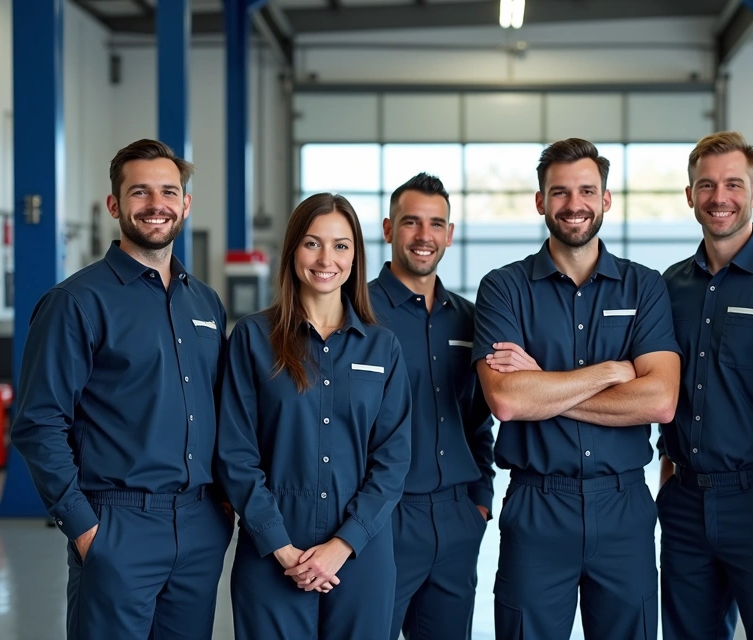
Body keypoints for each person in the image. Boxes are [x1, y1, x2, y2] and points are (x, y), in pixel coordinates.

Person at [12, 139, 233, 639]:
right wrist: (87, 531)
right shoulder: (76, 302)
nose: (156, 204)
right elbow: (39, 422)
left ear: (185, 204)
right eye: (140, 192)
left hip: (200, 525)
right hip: (118, 523)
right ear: (115, 205)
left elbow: (222, 407)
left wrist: (221, 505)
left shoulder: (206, 302)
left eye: (168, 192)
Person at [472, 138, 682, 639]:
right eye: (560, 192)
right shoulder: (504, 288)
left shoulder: (644, 287)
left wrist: (543, 386)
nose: (574, 204)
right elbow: (507, 400)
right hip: (537, 505)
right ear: (541, 202)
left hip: (625, 505)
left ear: (606, 199)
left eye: (587, 190)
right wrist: (612, 372)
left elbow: (660, 400)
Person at [215, 192, 412, 639]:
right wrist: (281, 548)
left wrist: (343, 545)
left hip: (361, 554)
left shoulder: (383, 349)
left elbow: (394, 458)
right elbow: (235, 452)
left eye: (341, 245)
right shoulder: (252, 339)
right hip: (272, 550)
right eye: (312, 243)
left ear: (356, 256)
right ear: (292, 251)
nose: (327, 258)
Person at [658, 131, 753, 640]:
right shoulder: (670, 287)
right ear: (689, 195)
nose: (718, 198)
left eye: (733, 184)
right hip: (683, 503)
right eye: (706, 185)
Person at [368, 173, 496, 640]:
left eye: (436, 224)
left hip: (456, 518)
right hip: (380, 518)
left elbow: (478, 419)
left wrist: (479, 501)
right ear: (387, 229)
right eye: (411, 223)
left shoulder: (469, 317)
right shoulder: (354, 311)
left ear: (449, 234)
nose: (424, 236)